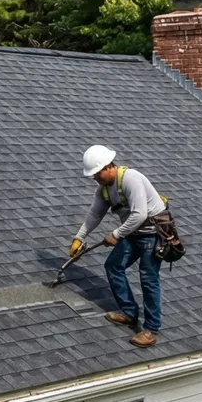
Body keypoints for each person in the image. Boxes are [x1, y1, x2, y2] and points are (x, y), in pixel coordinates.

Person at [71, 144, 171, 348]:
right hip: (134, 233)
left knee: (148, 278)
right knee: (113, 265)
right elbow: (94, 214)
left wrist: (115, 235)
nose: (95, 179)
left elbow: (140, 214)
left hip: (154, 234)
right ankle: (128, 312)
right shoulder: (104, 189)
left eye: (97, 174)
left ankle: (151, 330)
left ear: (108, 166)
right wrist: (79, 238)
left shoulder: (130, 178)